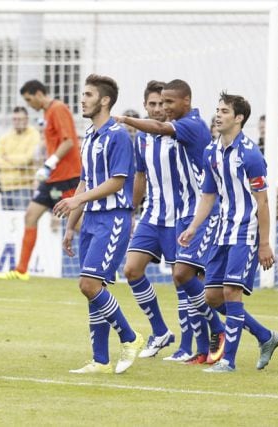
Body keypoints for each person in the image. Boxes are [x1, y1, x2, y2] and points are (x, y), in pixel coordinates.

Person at [116, 79, 226, 366]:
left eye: (163, 103)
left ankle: (200, 344)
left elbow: (167, 129)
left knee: (184, 280)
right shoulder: (142, 138)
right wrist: (131, 211)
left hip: (185, 214)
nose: (158, 109)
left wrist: (126, 119)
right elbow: (140, 176)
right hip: (153, 215)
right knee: (131, 269)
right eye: (153, 104)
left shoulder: (181, 130)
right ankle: (162, 331)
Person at [179, 92, 278, 372]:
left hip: (245, 232)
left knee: (231, 293)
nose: (218, 115)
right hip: (221, 231)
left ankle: (228, 361)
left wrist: (264, 243)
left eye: (224, 111)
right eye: (217, 110)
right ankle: (265, 336)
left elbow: (262, 201)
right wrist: (193, 227)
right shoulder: (211, 152)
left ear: (239, 118)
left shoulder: (250, 155)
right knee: (213, 297)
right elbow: (209, 195)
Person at [54, 74, 144, 374]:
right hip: (91, 220)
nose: (83, 99)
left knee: (89, 285)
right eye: (83, 94)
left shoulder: (117, 135)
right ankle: (100, 360)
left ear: (104, 100)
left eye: (89, 94)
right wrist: (71, 225)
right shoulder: (90, 137)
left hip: (113, 218)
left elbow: (118, 182)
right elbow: (85, 182)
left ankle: (131, 338)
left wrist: (78, 201)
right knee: (94, 288)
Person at [0, 79, 81, 281]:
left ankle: (102, 261)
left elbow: (69, 141)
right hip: (52, 178)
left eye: (29, 99)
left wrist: (50, 162)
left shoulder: (58, 109)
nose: (28, 104)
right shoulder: (47, 113)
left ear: (39, 94)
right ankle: (21, 270)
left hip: (67, 177)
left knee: (77, 225)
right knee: (30, 216)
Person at [0, 106, 41, 210]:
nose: (17, 122)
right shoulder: (5, 137)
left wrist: (7, 158)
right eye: (14, 119)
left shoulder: (34, 135)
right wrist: (17, 163)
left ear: (27, 120)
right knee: (7, 224)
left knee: (23, 221)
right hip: (5, 187)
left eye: (20, 119)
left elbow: (27, 159)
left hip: (24, 187)